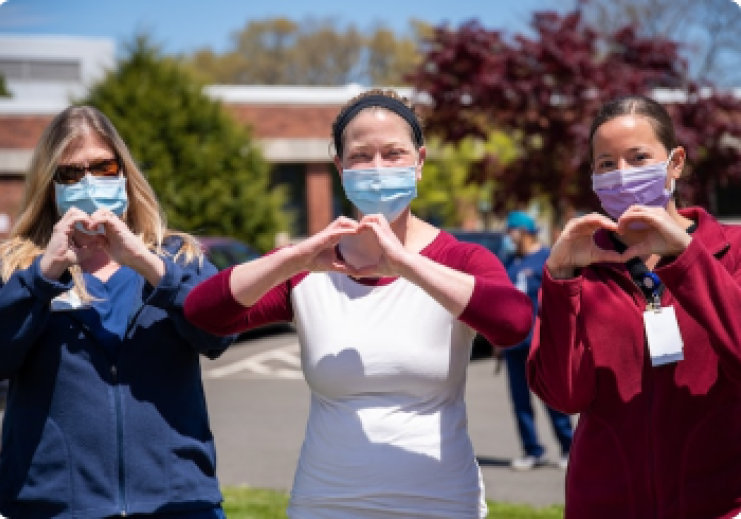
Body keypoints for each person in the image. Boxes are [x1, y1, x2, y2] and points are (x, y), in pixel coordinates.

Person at [184, 88, 533, 518]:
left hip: (441, 501)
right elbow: (204, 314)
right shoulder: (311, 267)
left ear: (420, 163)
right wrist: (294, 257)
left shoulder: (460, 260)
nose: (378, 168)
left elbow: (514, 323)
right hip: (325, 502)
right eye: (362, 156)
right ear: (340, 167)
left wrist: (407, 264)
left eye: (393, 154)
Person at [0, 106, 235, 518]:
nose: (88, 182)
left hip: (177, 504)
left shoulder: (178, 257)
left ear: (124, 174)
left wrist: (147, 264)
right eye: (70, 173)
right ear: (49, 185)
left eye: (103, 167)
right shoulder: (17, 266)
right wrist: (44, 274)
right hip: (51, 506)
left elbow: (218, 335)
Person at [527, 94, 741, 518]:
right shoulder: (584, 263)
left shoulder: (732, 252)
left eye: (638, 157)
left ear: (674, 163)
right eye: (606, 164)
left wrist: (687, 258)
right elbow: (564, 394)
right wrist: (562, 279)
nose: (622, 175)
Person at [502, 211, 572, 471]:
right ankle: (532, 450)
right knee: (520, 401)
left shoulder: (546, 259)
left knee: (552, 398)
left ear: (526, 232)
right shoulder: (509, 262)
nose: (509, 236)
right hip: (513, 345)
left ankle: (569, 447)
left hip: (541, 344)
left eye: (513, 231)